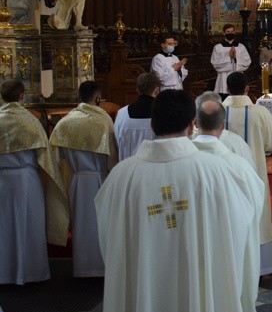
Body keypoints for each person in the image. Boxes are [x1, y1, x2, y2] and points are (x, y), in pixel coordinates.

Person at [95, 89, 257, 312]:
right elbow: (239, 227)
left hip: (143, 288)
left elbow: (110, 238)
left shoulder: (122, 176)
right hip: (198, 288)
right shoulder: (216, 171)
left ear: (151, 125)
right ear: (192, 127)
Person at [192, 98, 265, 312]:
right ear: (223, 125)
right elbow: (256, 205)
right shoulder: (237, 163)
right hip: (228, 245)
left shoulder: (180, 163)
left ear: (194, 123)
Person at [0, 79, 69, 285]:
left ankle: (4, 273)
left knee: (4, 227)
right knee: (28, 225)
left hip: (2, 181)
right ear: (22, 95)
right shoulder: (29, 122)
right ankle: (30, 273)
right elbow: (45, 158)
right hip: (26, 181)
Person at [49, 80, 116, 277]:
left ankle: (82, 267)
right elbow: (112, 156)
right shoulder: (103, 121)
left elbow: (57, 157)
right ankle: (101, 268)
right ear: (98, 98)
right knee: (99, 224)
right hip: (99, 180)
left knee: (80, 224)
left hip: (77, 180)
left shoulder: (66, 122)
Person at [222, 72, 272, 275]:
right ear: (247, 88)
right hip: (255, 171)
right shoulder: (260, 112)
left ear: (227, 89)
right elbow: (270, 144)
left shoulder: (218, 111)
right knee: (256, 213)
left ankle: (231, 268)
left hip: (224, 175)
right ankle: (259, 268)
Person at [114, 72, 160, 161]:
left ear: (137, 90)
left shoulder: (122, 114)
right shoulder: (164, 113)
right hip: (156, 170)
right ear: (157, 90)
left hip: (128, 170)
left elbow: (117, 143)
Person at [211, 24, 252, 95]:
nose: (230, 33)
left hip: (238, 78)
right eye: (228, 31)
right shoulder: (218, 47)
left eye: (232, 31)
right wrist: (229, 57)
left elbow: (248, 62)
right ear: (224, 33)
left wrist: (236, 58)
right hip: (223, 79)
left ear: (234, 32)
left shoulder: (241, 46)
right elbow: (215, 64)